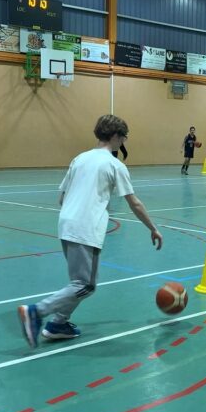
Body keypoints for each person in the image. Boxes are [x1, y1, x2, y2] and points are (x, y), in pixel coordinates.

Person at [17, 115, 163, 347]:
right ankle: (36, 312)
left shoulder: (79, 159)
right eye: (124, 138)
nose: (123, 142)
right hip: (86, 227)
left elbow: (62, 197)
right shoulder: (115, 164)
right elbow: (134, 202)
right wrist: (153, 228)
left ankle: (58, 324)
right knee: (85, 285)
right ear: (115, 136)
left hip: (66, 223)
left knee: (79, 281)